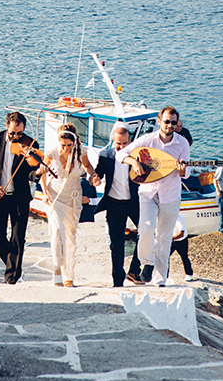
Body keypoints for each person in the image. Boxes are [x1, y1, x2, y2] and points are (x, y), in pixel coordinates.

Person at [118, 106, 190, 286]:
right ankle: (147, 263)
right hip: (148, 192)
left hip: (170, 195)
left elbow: (187, 172)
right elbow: (121, 153)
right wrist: (134, 162)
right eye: (166, 122)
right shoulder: (147, 140)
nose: (170, 125)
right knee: (146, 229)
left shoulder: (182, 144)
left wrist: (182, 171)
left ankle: (160, 280)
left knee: (165, 238)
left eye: (173, 123)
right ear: (159, 121)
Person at [0, 111, 44, 285]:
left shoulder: (30, 144)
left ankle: (11, 278)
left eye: (20, 133)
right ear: (7, 126)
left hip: (19, 197)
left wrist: (37, 173)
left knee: (17, 238)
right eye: (13, 133)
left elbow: (30, 173)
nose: (16, 137)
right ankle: (13, 265)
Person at [40, 123, 100, 287]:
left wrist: (93, 176)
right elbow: (43, 173)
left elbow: (88, 167)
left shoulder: (82, 152)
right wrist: (45, 193)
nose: (66, 148)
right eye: (63, 145)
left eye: (69, 145)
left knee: (69, 237)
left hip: (73, 198)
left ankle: (69, 274)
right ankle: (57, 269)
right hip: (54, 196)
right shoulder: (52, 152)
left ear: (74, 142)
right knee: (57, 231)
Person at [94, 124, 141, 288]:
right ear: (112, 141)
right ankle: (117, 280)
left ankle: (134, 270)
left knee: (147, 235)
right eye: (118, 144)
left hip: (135, 202)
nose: (121, 147)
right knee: (116, 244)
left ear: (130, 141)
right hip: (114, 203)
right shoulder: (105, 155)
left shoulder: (138, 156)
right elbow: (97, 173)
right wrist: (94, 179)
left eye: (125, 144)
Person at [168, 214, 194, 281]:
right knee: (165, 257)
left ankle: (189, 274)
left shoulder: (180, 218)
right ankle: (165, 275)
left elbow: (181, 234)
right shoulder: (166, 217)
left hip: (181, 240)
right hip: (171, 240)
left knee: (184, 257)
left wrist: (170, 239)